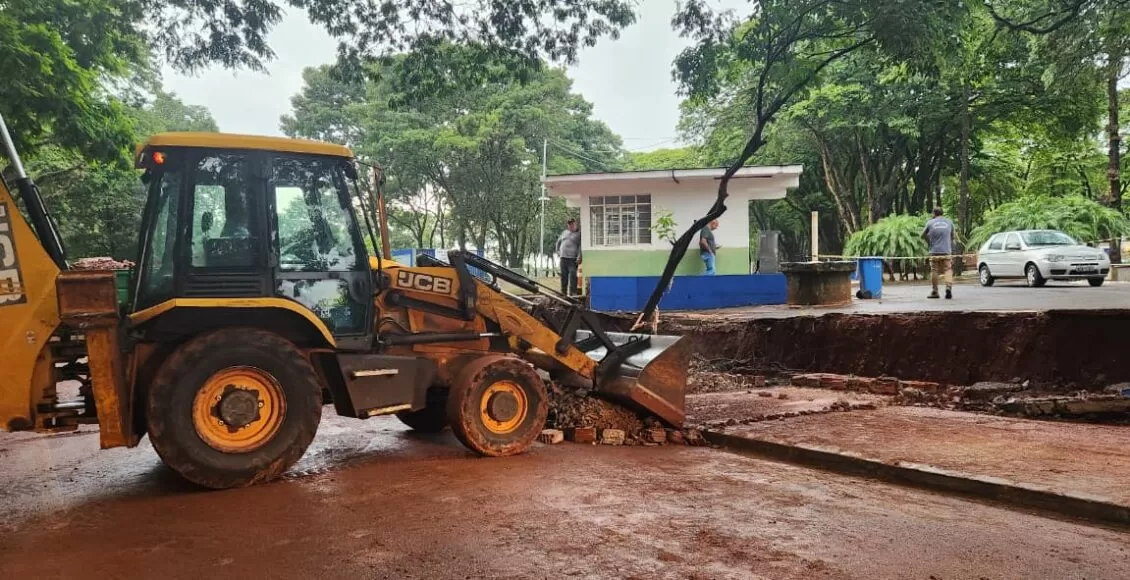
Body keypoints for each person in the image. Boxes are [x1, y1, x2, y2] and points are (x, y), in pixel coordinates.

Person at [922, 207, 957, 299]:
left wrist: (929, 241)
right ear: (942, 213)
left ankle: (935, 292)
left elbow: (922, 235)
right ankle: (948, 288)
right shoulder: (949, 222)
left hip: (934, 251)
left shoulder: (930, 222)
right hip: (946, 251)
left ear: (934, 213)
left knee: (934, 270)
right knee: (948, 269)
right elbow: (953, 236)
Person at [556, 218, 581, 295]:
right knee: (564, 276)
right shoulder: (564, 232)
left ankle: (573, 292)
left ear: (575, 224)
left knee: (573, 275)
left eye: (572, 224)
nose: (571, 226)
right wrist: (557, 251)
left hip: (572, 259)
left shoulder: (579, 234)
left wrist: (579, 256)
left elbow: (581, 246)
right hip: (563, 258)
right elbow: (558, 242)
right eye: (569, 224)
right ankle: (563, 292)